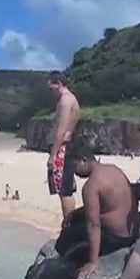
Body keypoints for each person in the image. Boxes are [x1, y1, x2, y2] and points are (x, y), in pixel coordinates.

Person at [56, 143, 139, 279]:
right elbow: (112, 203)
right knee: (76, 219)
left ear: (83, 160)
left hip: (116, 239)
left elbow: (93, 224)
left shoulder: (91, 186)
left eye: (75, 166)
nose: (75, 172)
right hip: (131, 233)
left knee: (66, 238)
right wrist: (75, 213)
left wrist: (93, 262)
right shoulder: (114, 170)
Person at [46, 71, 81, 219]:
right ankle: (69, 222)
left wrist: (53, 156)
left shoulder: (66, 101)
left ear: (58, 84)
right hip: (66, 147)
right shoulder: (69, 99)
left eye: (51, 88)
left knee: (63, 189)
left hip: (62, 148)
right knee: (65, 188)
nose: (51, 92)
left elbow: (61, 129)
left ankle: (68, 223)